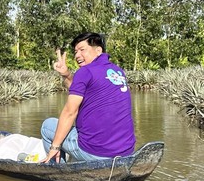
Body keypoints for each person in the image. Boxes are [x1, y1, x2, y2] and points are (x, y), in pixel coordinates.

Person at [40, 32, 135, 164]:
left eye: (82, 50)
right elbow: (81, 91)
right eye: (76, 51)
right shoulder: (118, 71)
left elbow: (70, 112)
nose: (77, 55)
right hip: (126, 152)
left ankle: (57, 170)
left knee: (47, 126)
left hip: (96, 152)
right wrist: (67, 75)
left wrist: (55, 147)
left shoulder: (84, 72)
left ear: (98, 50)